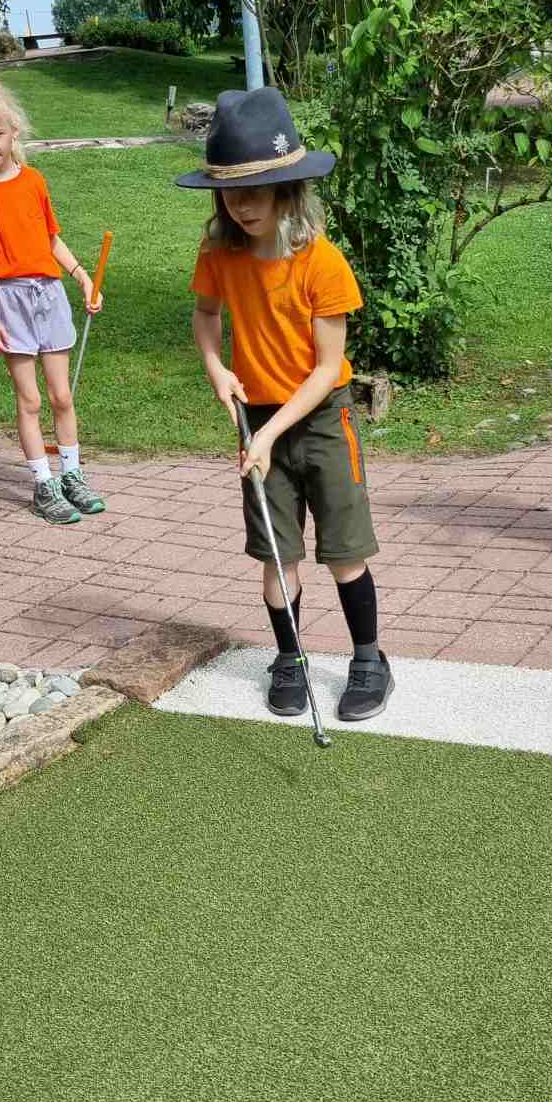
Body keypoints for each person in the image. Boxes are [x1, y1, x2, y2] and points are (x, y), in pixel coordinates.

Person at [177, 87, 393, 723]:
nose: (242, 205)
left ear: (288, 189)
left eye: (256, 191)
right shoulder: (220, 254)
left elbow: (327, 369)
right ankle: (289, 657)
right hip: (257, 417)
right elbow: (206, 315)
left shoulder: (321, 262)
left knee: (344, 553)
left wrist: (270, 436)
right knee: (277, 556)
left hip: (321, 419)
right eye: (230, 193)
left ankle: (369, 660)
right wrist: (217, 368)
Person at [0, 80, 106, 526]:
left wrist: (82, 278)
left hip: (49, 295)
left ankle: (72, 476)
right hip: (6, 301)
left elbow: (51, 239)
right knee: (31, 400)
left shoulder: (34, 180)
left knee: (62, 395)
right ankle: (43, 485)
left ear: (14, 131)